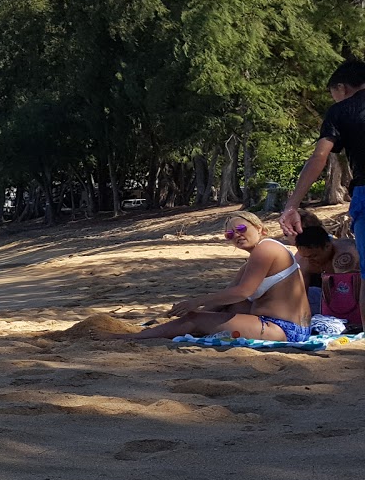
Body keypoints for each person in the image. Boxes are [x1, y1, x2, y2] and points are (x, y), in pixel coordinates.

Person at [125, 212, 311, 342]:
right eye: (230, 234)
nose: (236, 235)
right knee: (218, 309)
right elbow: (226, 297)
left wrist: (195, 306)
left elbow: (242, 291)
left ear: (261, 229)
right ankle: (158, 330)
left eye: (241, 228)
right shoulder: (256, 258)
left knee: (195, 320)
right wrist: (188, 312)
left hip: (284, 330)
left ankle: (131, 338)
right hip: (291, 327)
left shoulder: (266, 248)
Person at [280, 60, 365, 270]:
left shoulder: (340, 110)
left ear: (341, 88)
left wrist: (292, 206)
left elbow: (319, 157)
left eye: (332, 93)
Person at [294, 214, 363, 331]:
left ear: (327, 246)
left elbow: (349, 292)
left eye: (314, 255)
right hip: (325, 298)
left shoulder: (345, 254)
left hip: (355, 296)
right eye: (306, 256)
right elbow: (301, 295)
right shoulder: (304, 259)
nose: (310, 260)